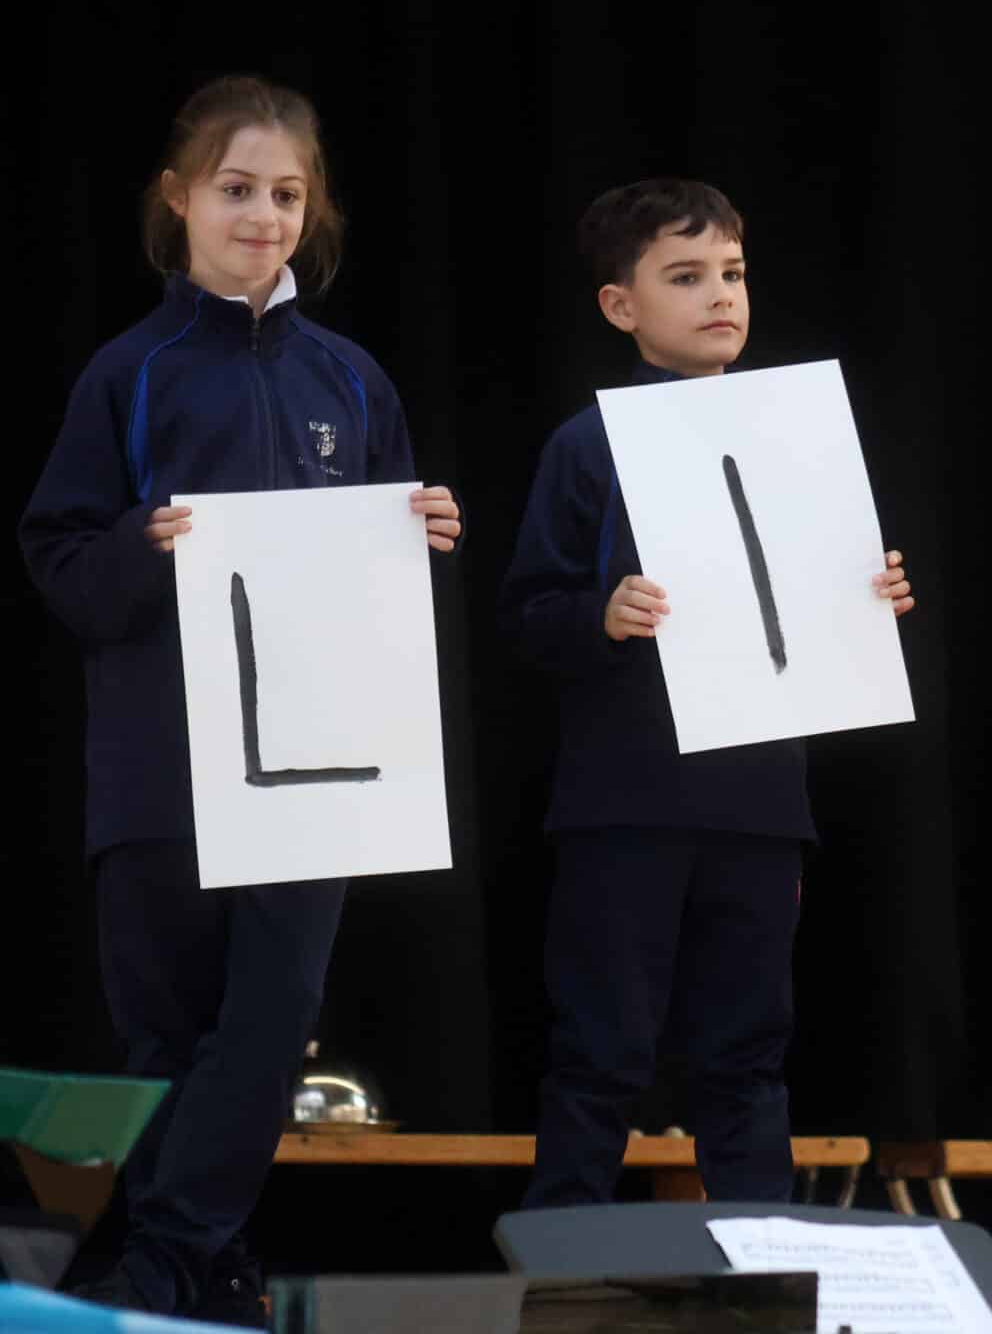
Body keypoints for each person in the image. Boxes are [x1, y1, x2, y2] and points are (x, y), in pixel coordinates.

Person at [18, 75, 462, 1324]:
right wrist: (138, 547)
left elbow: (380, 580)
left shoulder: (352, 382)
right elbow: (58, 554)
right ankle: (200, 1272)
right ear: (178, 198)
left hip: (311, 768)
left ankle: (167, 1252)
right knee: (167, 1034)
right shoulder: (131, 373)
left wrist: (422, 530)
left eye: (287, 194)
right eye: (236, 189)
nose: (264, 216)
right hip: (161, 762)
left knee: (272, 1017)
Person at [503, 178, 914, 1210]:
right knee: (602, 1047)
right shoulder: (588, 445)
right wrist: (601, 614)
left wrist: (870, 597)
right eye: (685, 276)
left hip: (759, 804)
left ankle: (759, 1263)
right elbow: (528, 612)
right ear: (621, 305)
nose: (720, 294)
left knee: (747, 1054)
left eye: (731, 272)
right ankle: (562, 1265)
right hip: (626, 802)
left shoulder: (798, 439)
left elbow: (814, 595)